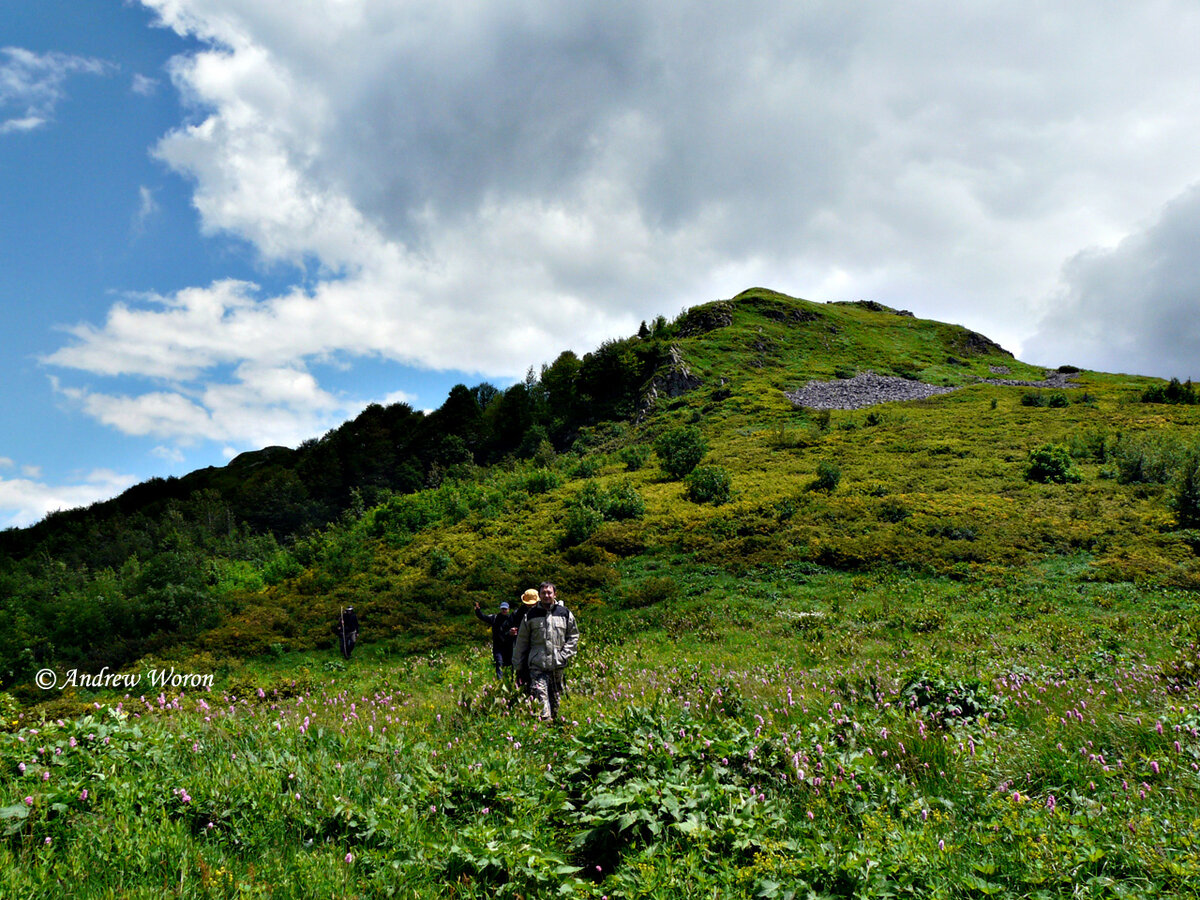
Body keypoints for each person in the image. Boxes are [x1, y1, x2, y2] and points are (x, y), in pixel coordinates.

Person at [513, 582, 579, 721]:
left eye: (549, 593)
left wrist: (564, 654)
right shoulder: (530, 615)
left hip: (557, 664)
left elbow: (573, 636)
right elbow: (522, 642)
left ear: (555, 594)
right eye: (543, 593)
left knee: (556, 699)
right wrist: (518, 666)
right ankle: (545, 726)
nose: (546, 595)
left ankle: (557, 729)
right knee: (540, 696)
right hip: (537, 665)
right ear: (539, 596)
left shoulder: (565, 613)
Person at [474, 598, 515, 678]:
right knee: (499, 663)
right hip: (498, 647)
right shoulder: (494, 618)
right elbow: (483, 617)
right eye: (502, 609)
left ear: (508, 609)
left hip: (509, 647)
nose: (504, 610)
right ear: (500, 609)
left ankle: (512, 684)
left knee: (510, 665)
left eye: (505, 609)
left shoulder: (512, 619)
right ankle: (499, 683)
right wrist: (478, 611)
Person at [508, 589, 540, 691]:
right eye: (528, 604)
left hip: (538, 648)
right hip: (522, 648)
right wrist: (510, 632)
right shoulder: (517, 613)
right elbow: (506, 629)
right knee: (522, 674)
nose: (530, 606)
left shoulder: (543, 612)